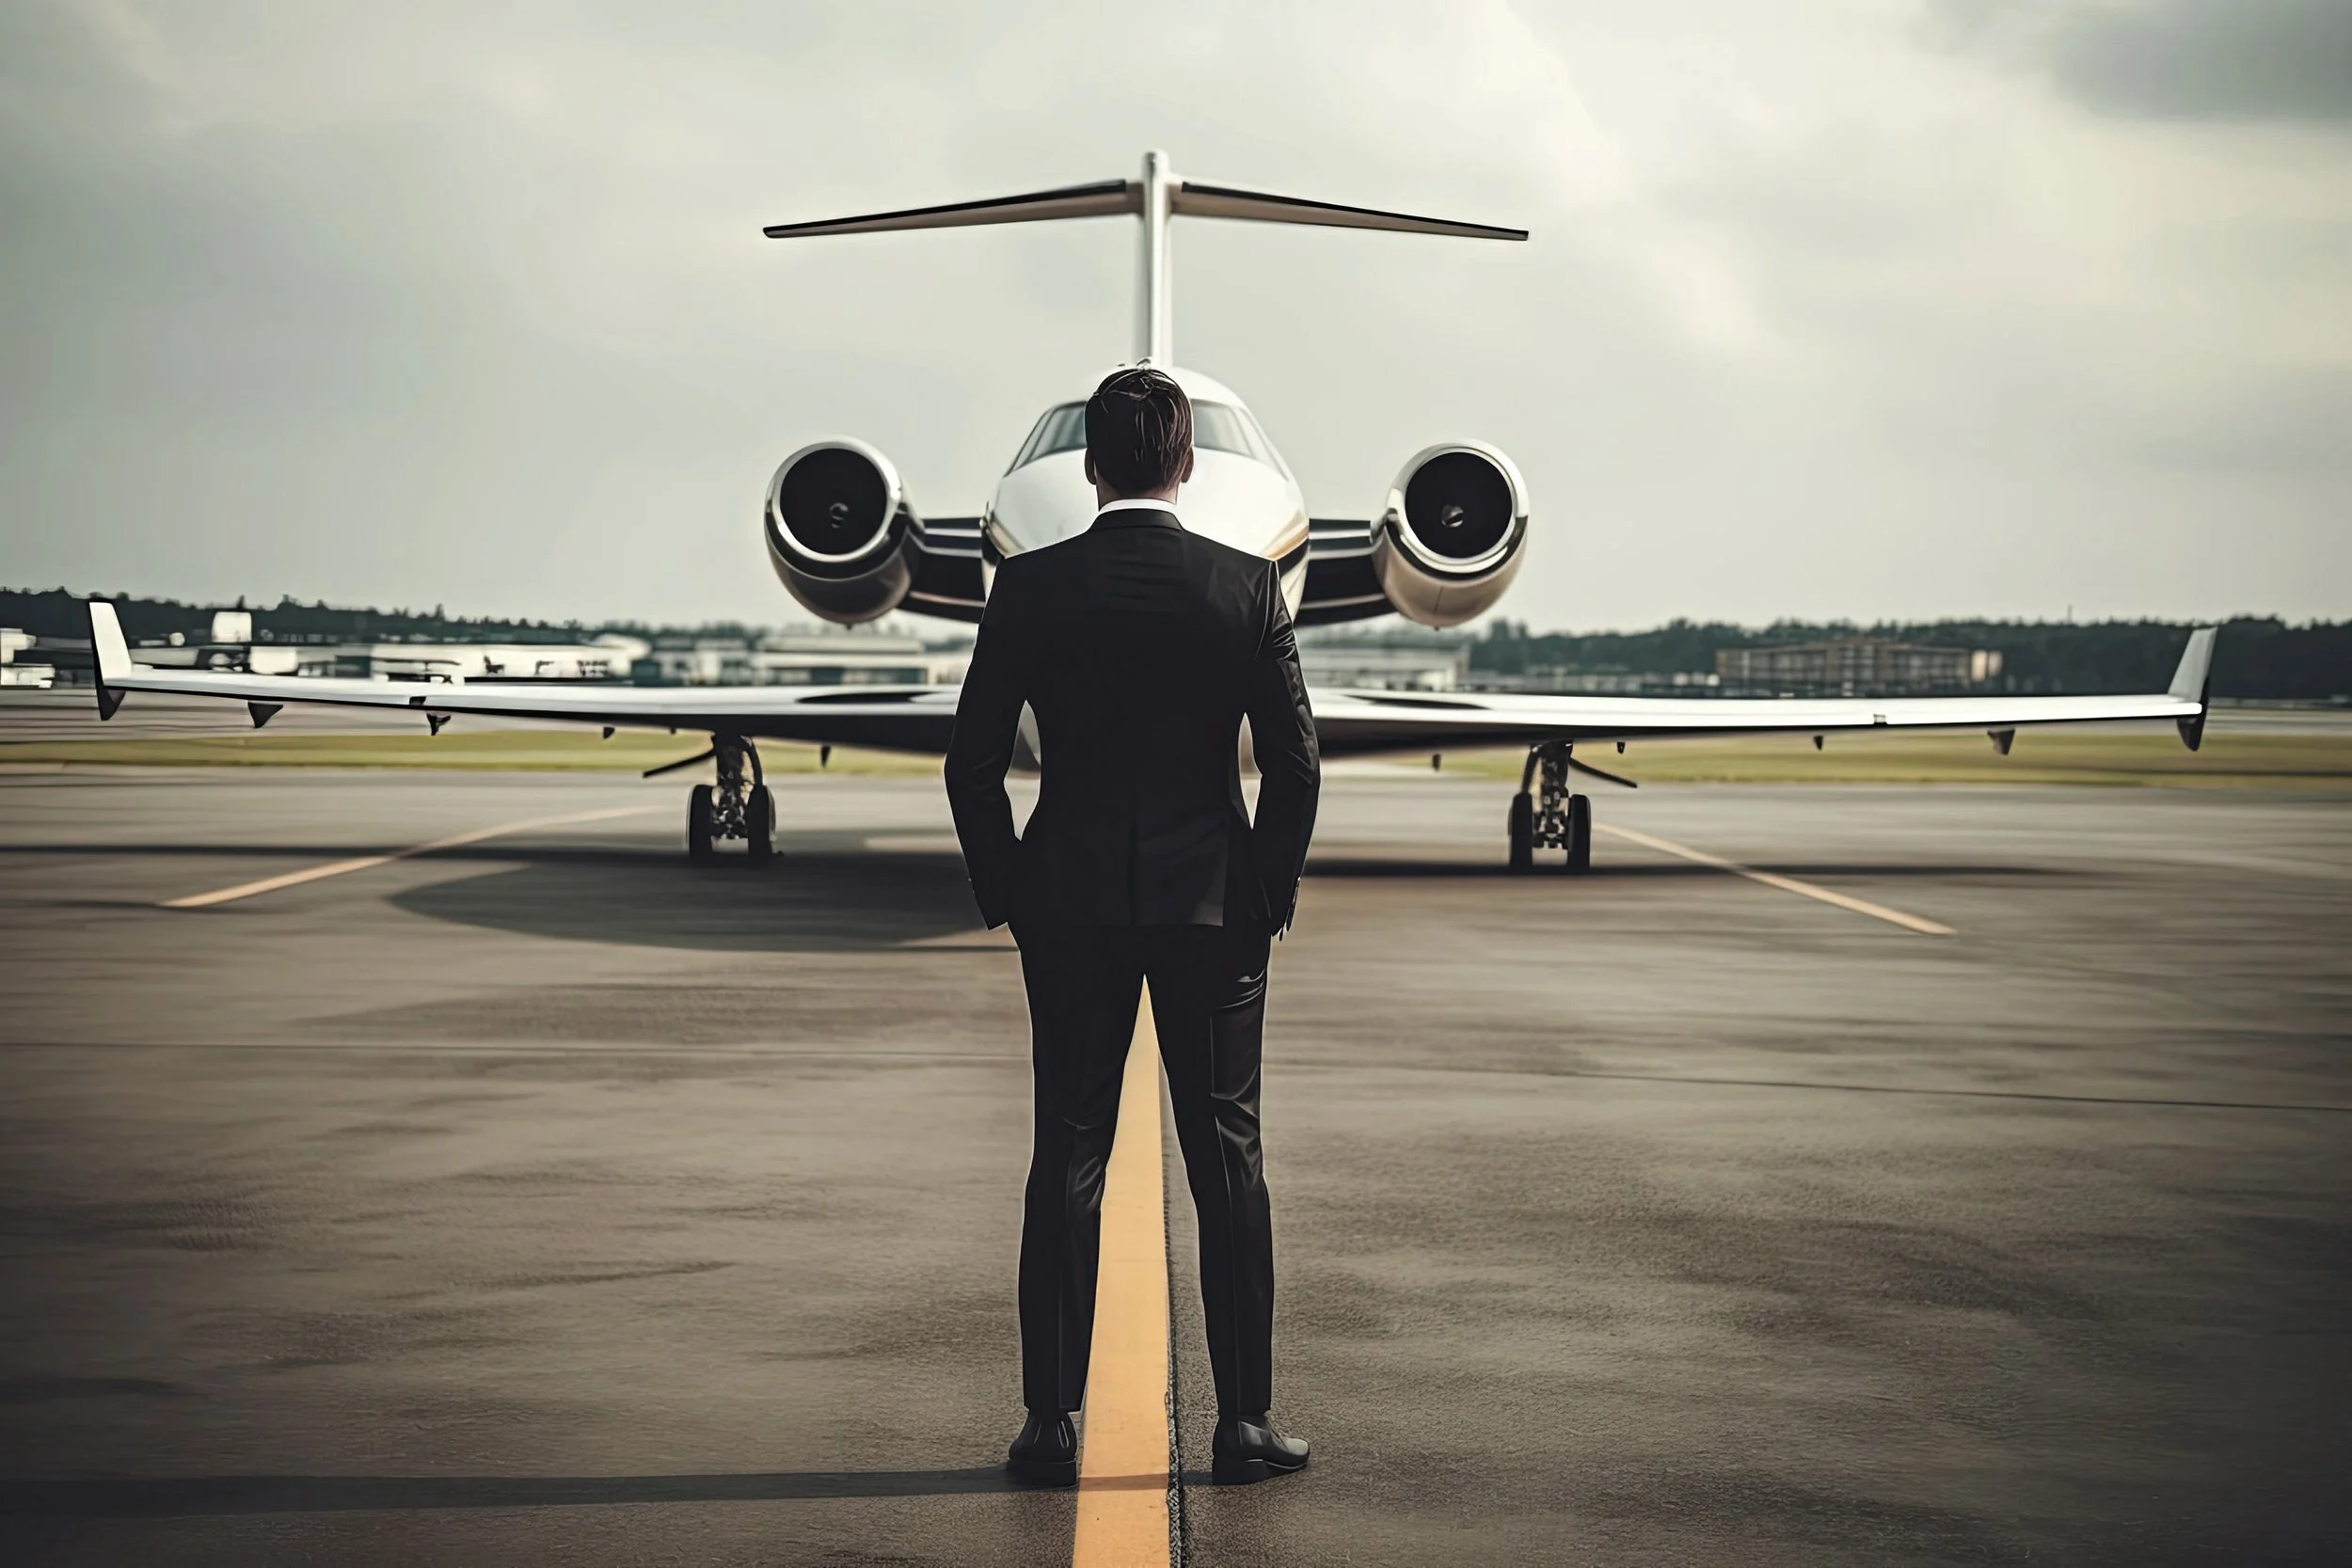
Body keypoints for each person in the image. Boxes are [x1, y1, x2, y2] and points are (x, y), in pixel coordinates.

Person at [945, 365, 1321, 1487]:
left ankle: (1049, 1423)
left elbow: (971, 760)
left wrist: (1006, 884)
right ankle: (1243, 1423)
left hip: (1068, 909)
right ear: (1186, 465)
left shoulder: (1030, 589)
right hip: (1213, 912)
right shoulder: (1247, 587)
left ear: (1094, 466)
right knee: (1229, 1163)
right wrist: (1267, 885)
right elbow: (1296, 762)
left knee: (1066, 1154)